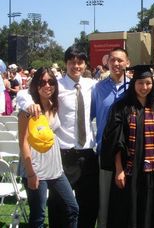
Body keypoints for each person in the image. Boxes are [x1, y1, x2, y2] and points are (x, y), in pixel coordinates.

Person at [17, 46, 99, 228]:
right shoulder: (56, 85)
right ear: (66, 63)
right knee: (58, 207)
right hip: (63, 154)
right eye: (72, 62)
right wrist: (30, 103)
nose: (76, 66)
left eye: (80, 62)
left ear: (85, 65)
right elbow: (25, 93)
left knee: (87, 205)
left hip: (87, 153)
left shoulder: (92, 85)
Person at [100, 65, 154, 228]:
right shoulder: (121, 107)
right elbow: (116, 141)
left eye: (148, 83)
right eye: (140, 83)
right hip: (129, 171)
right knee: (127, 212)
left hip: (152, 172)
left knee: (149, 210)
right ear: (133, 84)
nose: (144, 87)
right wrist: (119, 170)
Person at [18, 67, 79, 227]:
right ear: (36, 85)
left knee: (72, 207)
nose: (47, 86)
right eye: (42, 82)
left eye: (51, 82)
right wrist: (31, 174)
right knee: (38, 216)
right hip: (35, 167)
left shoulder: (54, 104)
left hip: (55, 167)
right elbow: (23, 142)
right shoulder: (28, 110)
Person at [91, 47, 130, 228]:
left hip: (129, 152)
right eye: (113, 60)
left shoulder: (134, 87)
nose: (116, 63)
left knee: (127, 201)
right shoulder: (98, 88)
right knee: (104, 200)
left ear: (127, 63)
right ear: (107, 62)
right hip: (105, 151)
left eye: (120, 60)